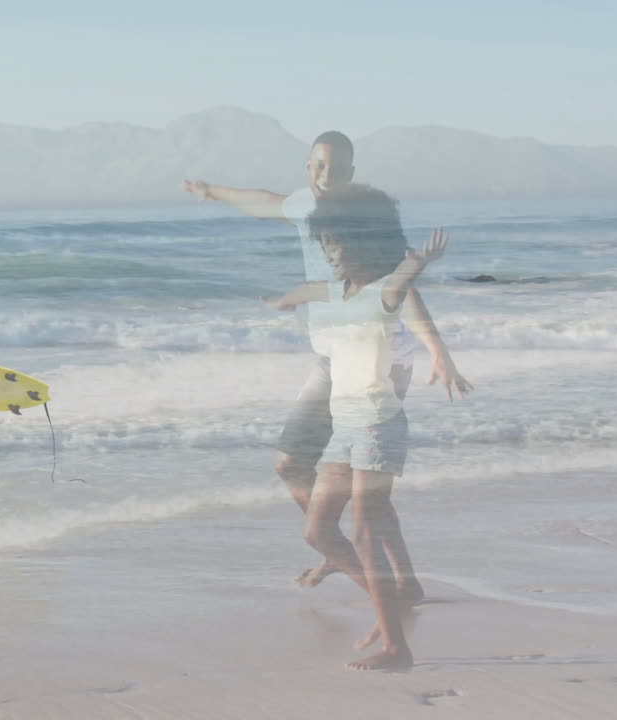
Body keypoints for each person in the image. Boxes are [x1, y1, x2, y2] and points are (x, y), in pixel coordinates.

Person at [182, 131, 471, 601]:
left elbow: (401, 287)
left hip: (373, 361)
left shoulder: (363, 218)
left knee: (313, 471)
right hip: (333, 359)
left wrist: (437, 348)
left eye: (335, 171)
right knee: (338, 481)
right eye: (317, 167)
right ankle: (375, 569)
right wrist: (212, 191)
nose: (324, 177)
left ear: (350, 176)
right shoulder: (304, 206)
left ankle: (344, 555)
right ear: (306, 167)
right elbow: (263, 202)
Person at [261, 184, 446, 670]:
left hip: (377, 425)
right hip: (346, 424)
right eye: (326, 244)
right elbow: (311, 291)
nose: (332, 253)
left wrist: (417, 261)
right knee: (318, 532)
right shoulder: (335, 291)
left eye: (341, 243)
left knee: (364, 531)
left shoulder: (383, 289)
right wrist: (283, 300)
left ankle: (394, 647)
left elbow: (401, 286)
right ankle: (391, 609)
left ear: (371, 244)